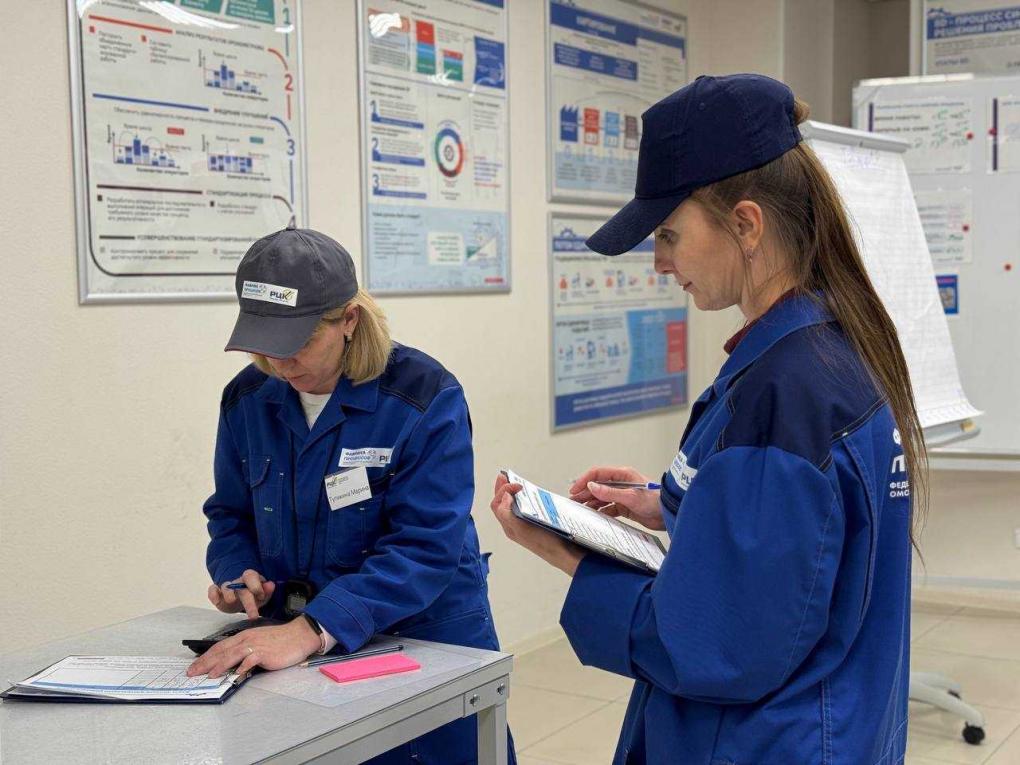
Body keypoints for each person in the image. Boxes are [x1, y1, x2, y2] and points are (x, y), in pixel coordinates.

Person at [490, 74, 925, 764]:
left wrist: (568, 555)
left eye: (669, 233)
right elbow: (806, 542)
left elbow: (712, 645)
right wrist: (674, 503)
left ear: (746, 225)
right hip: (839, 725)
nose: (659, 261)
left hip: (767, 743)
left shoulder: (784, 393)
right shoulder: (834, 349)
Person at [188, 224, 514, 764]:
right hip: (299, 644)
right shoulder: (247, 398)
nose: (281, 364)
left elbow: (424, 546)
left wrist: (314, 628)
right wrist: (238, 573)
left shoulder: (423, 396)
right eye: (266, 345)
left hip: (422, 635)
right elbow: (230, 513)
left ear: (349, 321)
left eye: (298, 344)